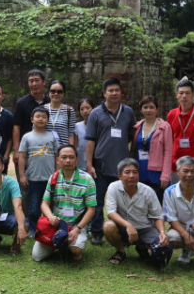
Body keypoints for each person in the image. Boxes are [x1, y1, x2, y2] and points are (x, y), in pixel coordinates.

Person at [85, 77, 135, 245]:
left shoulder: (128, 112)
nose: (114, 93)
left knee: (123, 201)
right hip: (101, 165)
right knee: (98, 201)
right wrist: (89, 164)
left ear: (121, 92)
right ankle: (97, 232)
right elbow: (90, 140)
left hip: (122, 166)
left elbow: (130, 136)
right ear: (104, 93)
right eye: (110, 90)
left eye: (117, 90)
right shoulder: (95, 113)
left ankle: (122, 230)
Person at [32, 145, 96, 262]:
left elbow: (91, 209)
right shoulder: (54, 177)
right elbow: (44, 204)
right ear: (58, 160)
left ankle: (68, 245)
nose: (68, 160)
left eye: (71, 157)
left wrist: (78, 228)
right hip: (56, 225)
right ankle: (59, 243)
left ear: (77, 159)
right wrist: (50, 217)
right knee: (37, 256)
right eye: (64, 157)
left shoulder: (87, 179)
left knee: (76, 249)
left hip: (76, 224)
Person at [103, 158, 172, 267]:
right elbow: (111, 212)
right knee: (108, 226)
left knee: (163, 249)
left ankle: (142, 247)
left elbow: (158, 216)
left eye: (135, 172)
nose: (131, 176)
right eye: (127, 172)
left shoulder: (148, 191)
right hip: (124, 228)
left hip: (145, 228)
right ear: (119, 175)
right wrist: (128, 225)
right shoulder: (113, 187)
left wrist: (162, 233)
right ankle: (121, 251)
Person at [17, 106, 58, 236]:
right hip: (34, 178)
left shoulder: (52, 137)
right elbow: (22, 157)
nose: (41, 119)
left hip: (50, 179)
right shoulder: (27, 137)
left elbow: (57, 157)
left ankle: (49, 227)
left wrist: (58, 174)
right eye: (38, 116)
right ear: (32, 119)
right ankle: (34, 229)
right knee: (34, 206)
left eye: (44, 117)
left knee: (51, 205)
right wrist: (22, 175)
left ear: (48, 120)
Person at [131, 96, 173, 204]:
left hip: (156, 174)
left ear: (156, 109)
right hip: (140, 170)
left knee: (155, 205)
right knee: (140, 205)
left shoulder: (165, 127)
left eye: (151, 107)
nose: (148, 110)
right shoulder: (137, 127)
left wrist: (165, 175)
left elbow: (168, 152)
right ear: (141, 110)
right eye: (145, 107)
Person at [13, 69, 50, 168]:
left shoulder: (50, 102)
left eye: (37, 80)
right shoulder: (21, 103)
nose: (34, 84)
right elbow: (16, 127)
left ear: (43, 82)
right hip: (26, 148)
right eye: (31, 81)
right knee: (24, 178)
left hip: (46, 148)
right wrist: (16, 150)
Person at [44, 80, 77, 147]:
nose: (56, 94)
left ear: (63, 94)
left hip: (63, 152)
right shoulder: (42, 109)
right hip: (45, 151)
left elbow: (71, 133)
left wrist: (71, 150)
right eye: (53, 91)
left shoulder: (69, 110)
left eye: (59, 92)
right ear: (49, 92)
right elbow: (35, 131)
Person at [74, 98, 94, 171]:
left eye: (87, 108)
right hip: (81, 162)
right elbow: (75, 145)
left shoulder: (99, 126)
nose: (85, 111)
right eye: (82, 109)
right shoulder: (77, 126)